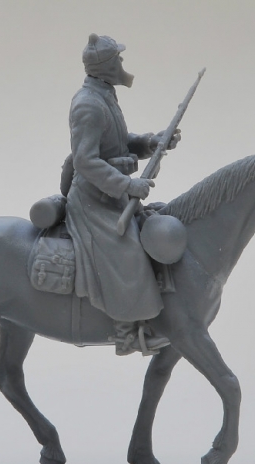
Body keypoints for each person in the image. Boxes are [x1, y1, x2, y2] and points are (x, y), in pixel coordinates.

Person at [65, 34, 178, 355]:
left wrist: (150, 142)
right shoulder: (87, 105)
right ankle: (127, 332)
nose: (122, 64)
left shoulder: (104, 96)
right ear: (107, 66)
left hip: (111, 195)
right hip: (92, 200)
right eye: (118, 59)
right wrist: (128, 185)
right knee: (125, 250)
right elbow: (85, 161)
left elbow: (117, 141)